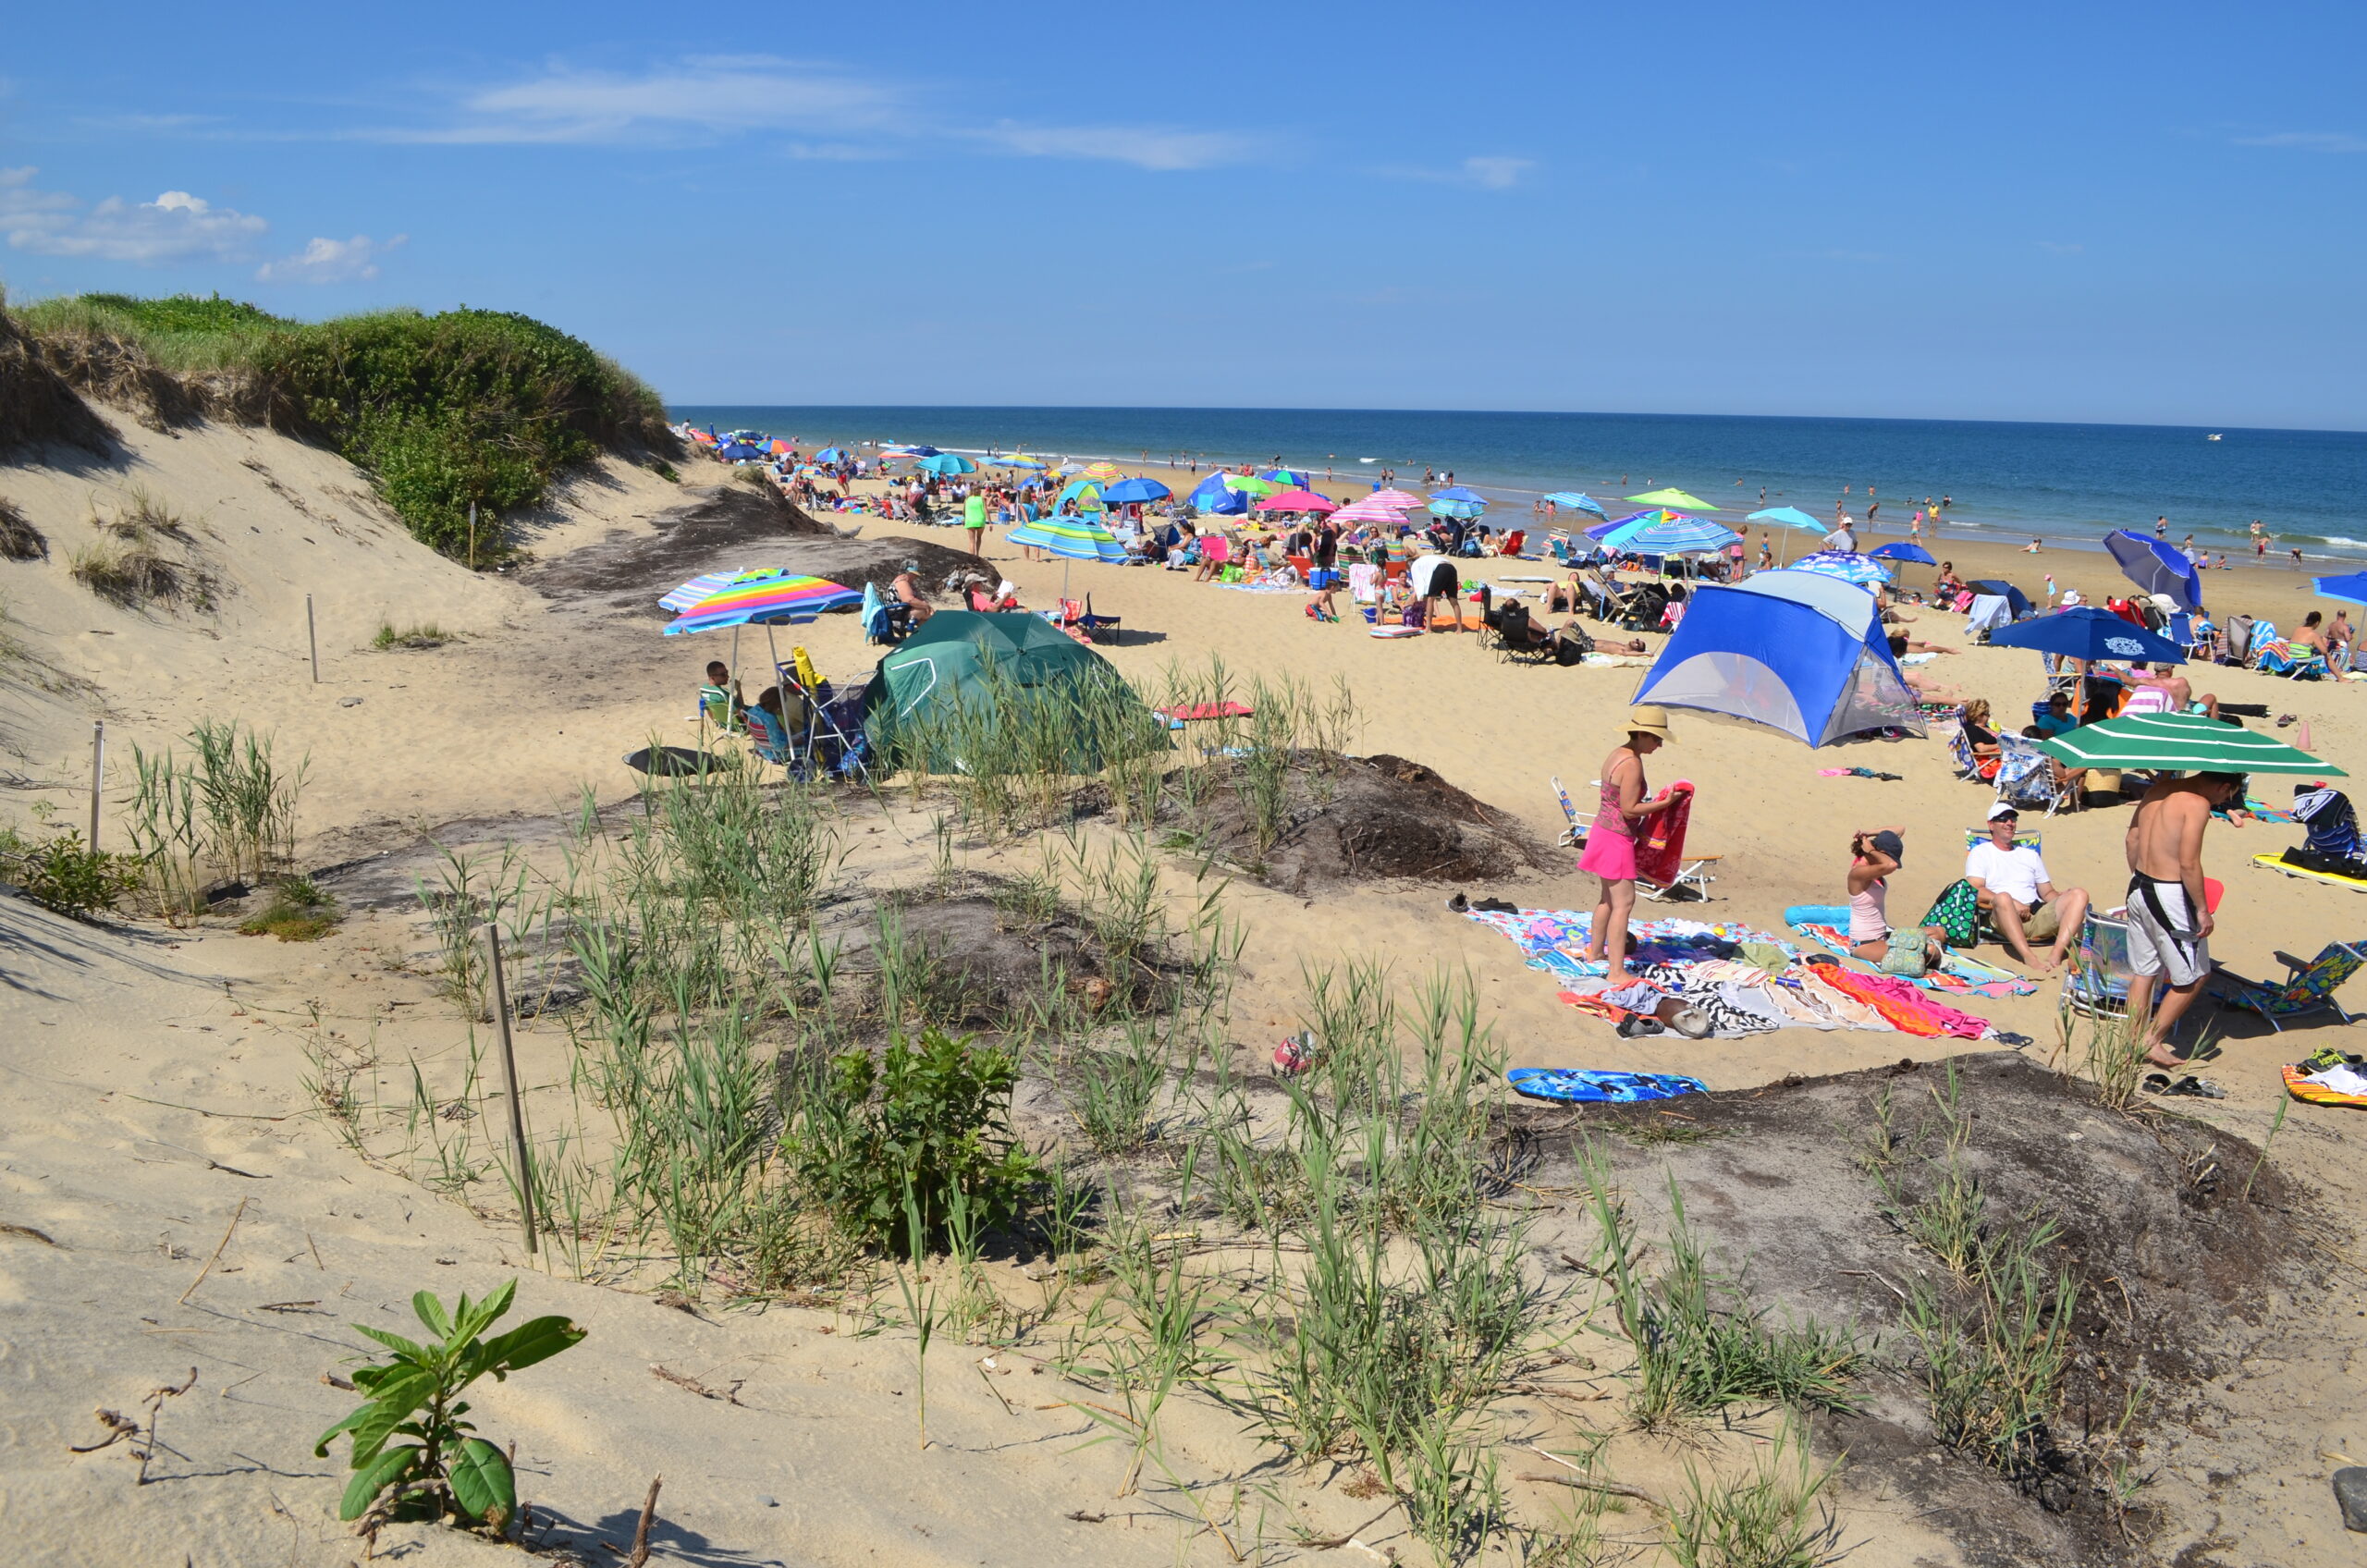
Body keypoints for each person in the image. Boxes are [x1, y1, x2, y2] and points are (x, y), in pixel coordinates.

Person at [2122, 771, 2244, 1068]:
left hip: (2139, 886)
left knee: (2144, 971)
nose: (2223, 801)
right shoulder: (2197, 803)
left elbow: (2132, 838)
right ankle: (2151, 1040)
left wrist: (2140, 873)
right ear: (2224, 786)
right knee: (2195, 974)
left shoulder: (2159, 789)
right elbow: (2188, 862)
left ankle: (2131, 1040)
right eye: (2227, 795)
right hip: (2168, 893)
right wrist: (2202, 909)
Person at [1577, 706, 1685, 975]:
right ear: (1643, 734)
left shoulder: (1618, 753)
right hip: (1616, 838)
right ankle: (1616, 971)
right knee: (1624, 904)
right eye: (1657, 739)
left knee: (1607, 900)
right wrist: (1664, 803)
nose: (1659, 745)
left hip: (1602, 831)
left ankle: (1596, 952)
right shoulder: (1632, 763)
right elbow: (1628, 809)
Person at [1966, 805, 2091, 973]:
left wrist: (2066, 900)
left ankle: (2057, 952)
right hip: (2003, 915)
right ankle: (2028, 956)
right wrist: (2013, 903)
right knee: (2003, 897)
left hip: (2035, 915)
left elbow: (2047, 893)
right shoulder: (1980, 852)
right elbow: (1975, 889)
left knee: (2079, 894)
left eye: (2013, 819)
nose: (2009, 823)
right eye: (2003, 819)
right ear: (1991, 825)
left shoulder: (2029, 855)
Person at [1407, 551, 1464, 631]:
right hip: (1452, 568)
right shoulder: (1425, 560)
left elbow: (1419, 586)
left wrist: (1418, 601)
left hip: (1441, 569)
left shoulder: (1415, 566)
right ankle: (1459, 629)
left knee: (1431, 599)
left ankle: (1428, 628)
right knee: (1454, 601)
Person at [699, 660, 744, 732]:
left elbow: (709, 711)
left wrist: (719, 723)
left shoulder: (704, 690)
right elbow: (741, 710)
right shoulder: (723, 694)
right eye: (723, 674)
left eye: (727, 672)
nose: (727, 676)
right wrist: (739, 689)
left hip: (723, 724)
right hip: (738, 725)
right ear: (712, 677)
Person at [890, 562, 934, 626]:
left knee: (926, 619)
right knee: (925, 612)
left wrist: (927, 606)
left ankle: (927, 633)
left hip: (904, 612)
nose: (915, 577)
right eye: (914, 574)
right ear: (908, 573)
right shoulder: (901, 582)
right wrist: (926, 606)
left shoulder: (909, 584)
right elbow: (909, 600)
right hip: (898, 614)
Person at [963, 491, 987, 557]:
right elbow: (986, 510)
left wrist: (964, 518)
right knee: (979, 537)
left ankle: (972, 557)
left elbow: (964, 510)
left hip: (970, 521)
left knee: (971, 541)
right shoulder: (982, 499)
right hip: (980, 520)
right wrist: (990, 522)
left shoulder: (967, 499)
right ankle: (977, 554)